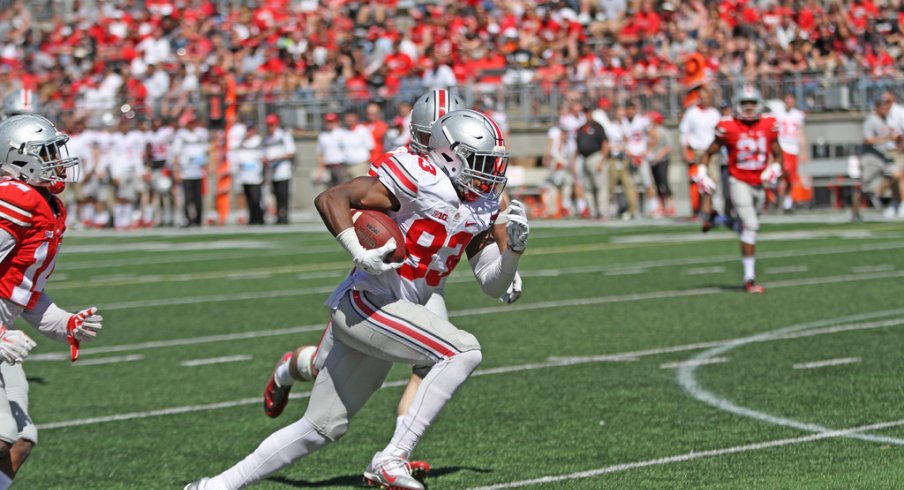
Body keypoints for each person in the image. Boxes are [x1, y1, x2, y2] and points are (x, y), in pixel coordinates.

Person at [186, 109, 527, 490]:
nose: (492, 171)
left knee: (319, 428)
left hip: (394, 312)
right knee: (463, 351)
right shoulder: (419, 177)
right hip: (370, 301)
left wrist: (512, 252)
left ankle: (212, 486)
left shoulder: (481, 203)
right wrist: (358, 251)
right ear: (449, 155)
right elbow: (332, 197)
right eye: (482, 161)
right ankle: (392, 457)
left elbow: (491, 285)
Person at [0, 114, 104, 488]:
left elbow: (23, 294)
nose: (57, 160)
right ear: (20, 158)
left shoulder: (46, 204)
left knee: (22, 438)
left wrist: (64, 323)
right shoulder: (15, 198)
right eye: (46, 152)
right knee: (3, 432)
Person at [695, 85, 782, 294]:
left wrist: (775, 168)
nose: (749, 107)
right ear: (737, 105)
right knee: (751, 225)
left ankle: (718, 220)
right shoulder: (728, 127)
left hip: (759, 182)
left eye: (752, 103)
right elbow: (708, 153)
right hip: (738, 180)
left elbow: (778, 153)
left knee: (747, 226)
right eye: (745, 103)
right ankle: (749, 278)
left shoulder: (769, 125)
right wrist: (702, 173)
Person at [852, 97, 901, 220]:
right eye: (883, 108)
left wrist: (897, 139)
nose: (886, 110)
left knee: (898, 174)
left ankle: (892, 201)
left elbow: (893, 135)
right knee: (864, 187)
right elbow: (867, 140)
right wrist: (886, 139)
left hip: (883, 156)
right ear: (877, 108)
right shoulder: (871, 120)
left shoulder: (887, 120)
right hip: (870, 157)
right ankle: (855, 212)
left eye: (887, 108)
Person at [679, 88, 721, 216]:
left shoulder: (715, 113)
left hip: (712, 151)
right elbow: (684, 132)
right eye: (702, 97)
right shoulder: (692, 113)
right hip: (697, 151)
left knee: (712, 179)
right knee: (698, 181)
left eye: (706, 97)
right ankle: (698, 208)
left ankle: (708, 207)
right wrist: (684, 151)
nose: (704, 99)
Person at [171, 113, 210, 227]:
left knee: (198, 198)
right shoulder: (181, 135)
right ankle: (187, 219)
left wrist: (206, 166)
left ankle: (198, 219)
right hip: (186, 172)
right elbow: (176, 155)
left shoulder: (201, 134)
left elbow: (206, 151)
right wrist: (177, 171)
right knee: (187, 198)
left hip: (198, 171)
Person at [575, 105, 610, 219]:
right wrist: (574, 161)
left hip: (596, 157)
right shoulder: (580, 129)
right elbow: (578, 147)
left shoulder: (597, 127)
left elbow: (605, 144)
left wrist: (602, 160)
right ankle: (593, 212)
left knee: (600, 186)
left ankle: (603, 212)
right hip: (584, 159)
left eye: (588, 112)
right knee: (587, 187)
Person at [263, 114, 296, 225]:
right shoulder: (267, 137)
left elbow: (291, 152)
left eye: (271, 125)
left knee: (283, 194)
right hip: (272, 172)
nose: (270, 127)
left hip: (283, 171)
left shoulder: (284, 136)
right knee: (275, 194)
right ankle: (277, 216)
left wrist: (277, 158)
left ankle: (284, 216)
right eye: (268, 125)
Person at [776, 93, 807, 213]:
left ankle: (787, 202)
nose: (788, 102)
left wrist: (804, 151)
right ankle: (781, 200)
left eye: (790, 99)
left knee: (791, 178)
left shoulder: (798, 115)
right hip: (782, 146)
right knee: (783, 173)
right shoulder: (778, 114)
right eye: (786, 99)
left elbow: (801, 133)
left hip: (793, 148)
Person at [233, 121, 265, 225]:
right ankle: (252, 218)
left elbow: (263, 157)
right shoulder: (242, 142)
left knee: (256, 199)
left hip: (256, 176)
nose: (249, 132)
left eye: (251, 129)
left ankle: (259, 218)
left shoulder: (258, 141)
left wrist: (263, 172)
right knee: (249, 199)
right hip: (245, 176)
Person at [647, 111, 675, 217]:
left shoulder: (663, 131)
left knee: (665, 183)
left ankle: (671, 205)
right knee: (657, 184)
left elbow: (668, 146)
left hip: (662, 160)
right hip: (653, 161)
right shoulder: (650, 131)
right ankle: (662, 206)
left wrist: (659, 156)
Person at [340, 110, 375, 179]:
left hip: (360, 165)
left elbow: (370, 147)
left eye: (351, 116)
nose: (349, 119)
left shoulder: (363, 130)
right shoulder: (342, 131)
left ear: (356, 118)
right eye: (347, 116)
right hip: (347, 166)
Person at [315, 113, 346, 187]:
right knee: (329, 191)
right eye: (328, 121)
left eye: (332, 121)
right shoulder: (322, 136)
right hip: (328, 167)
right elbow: (321, 154)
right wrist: (320, 170)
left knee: (342, 191)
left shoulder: (342, 133)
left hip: (340, 166)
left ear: (336, 121)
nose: (330, 123)